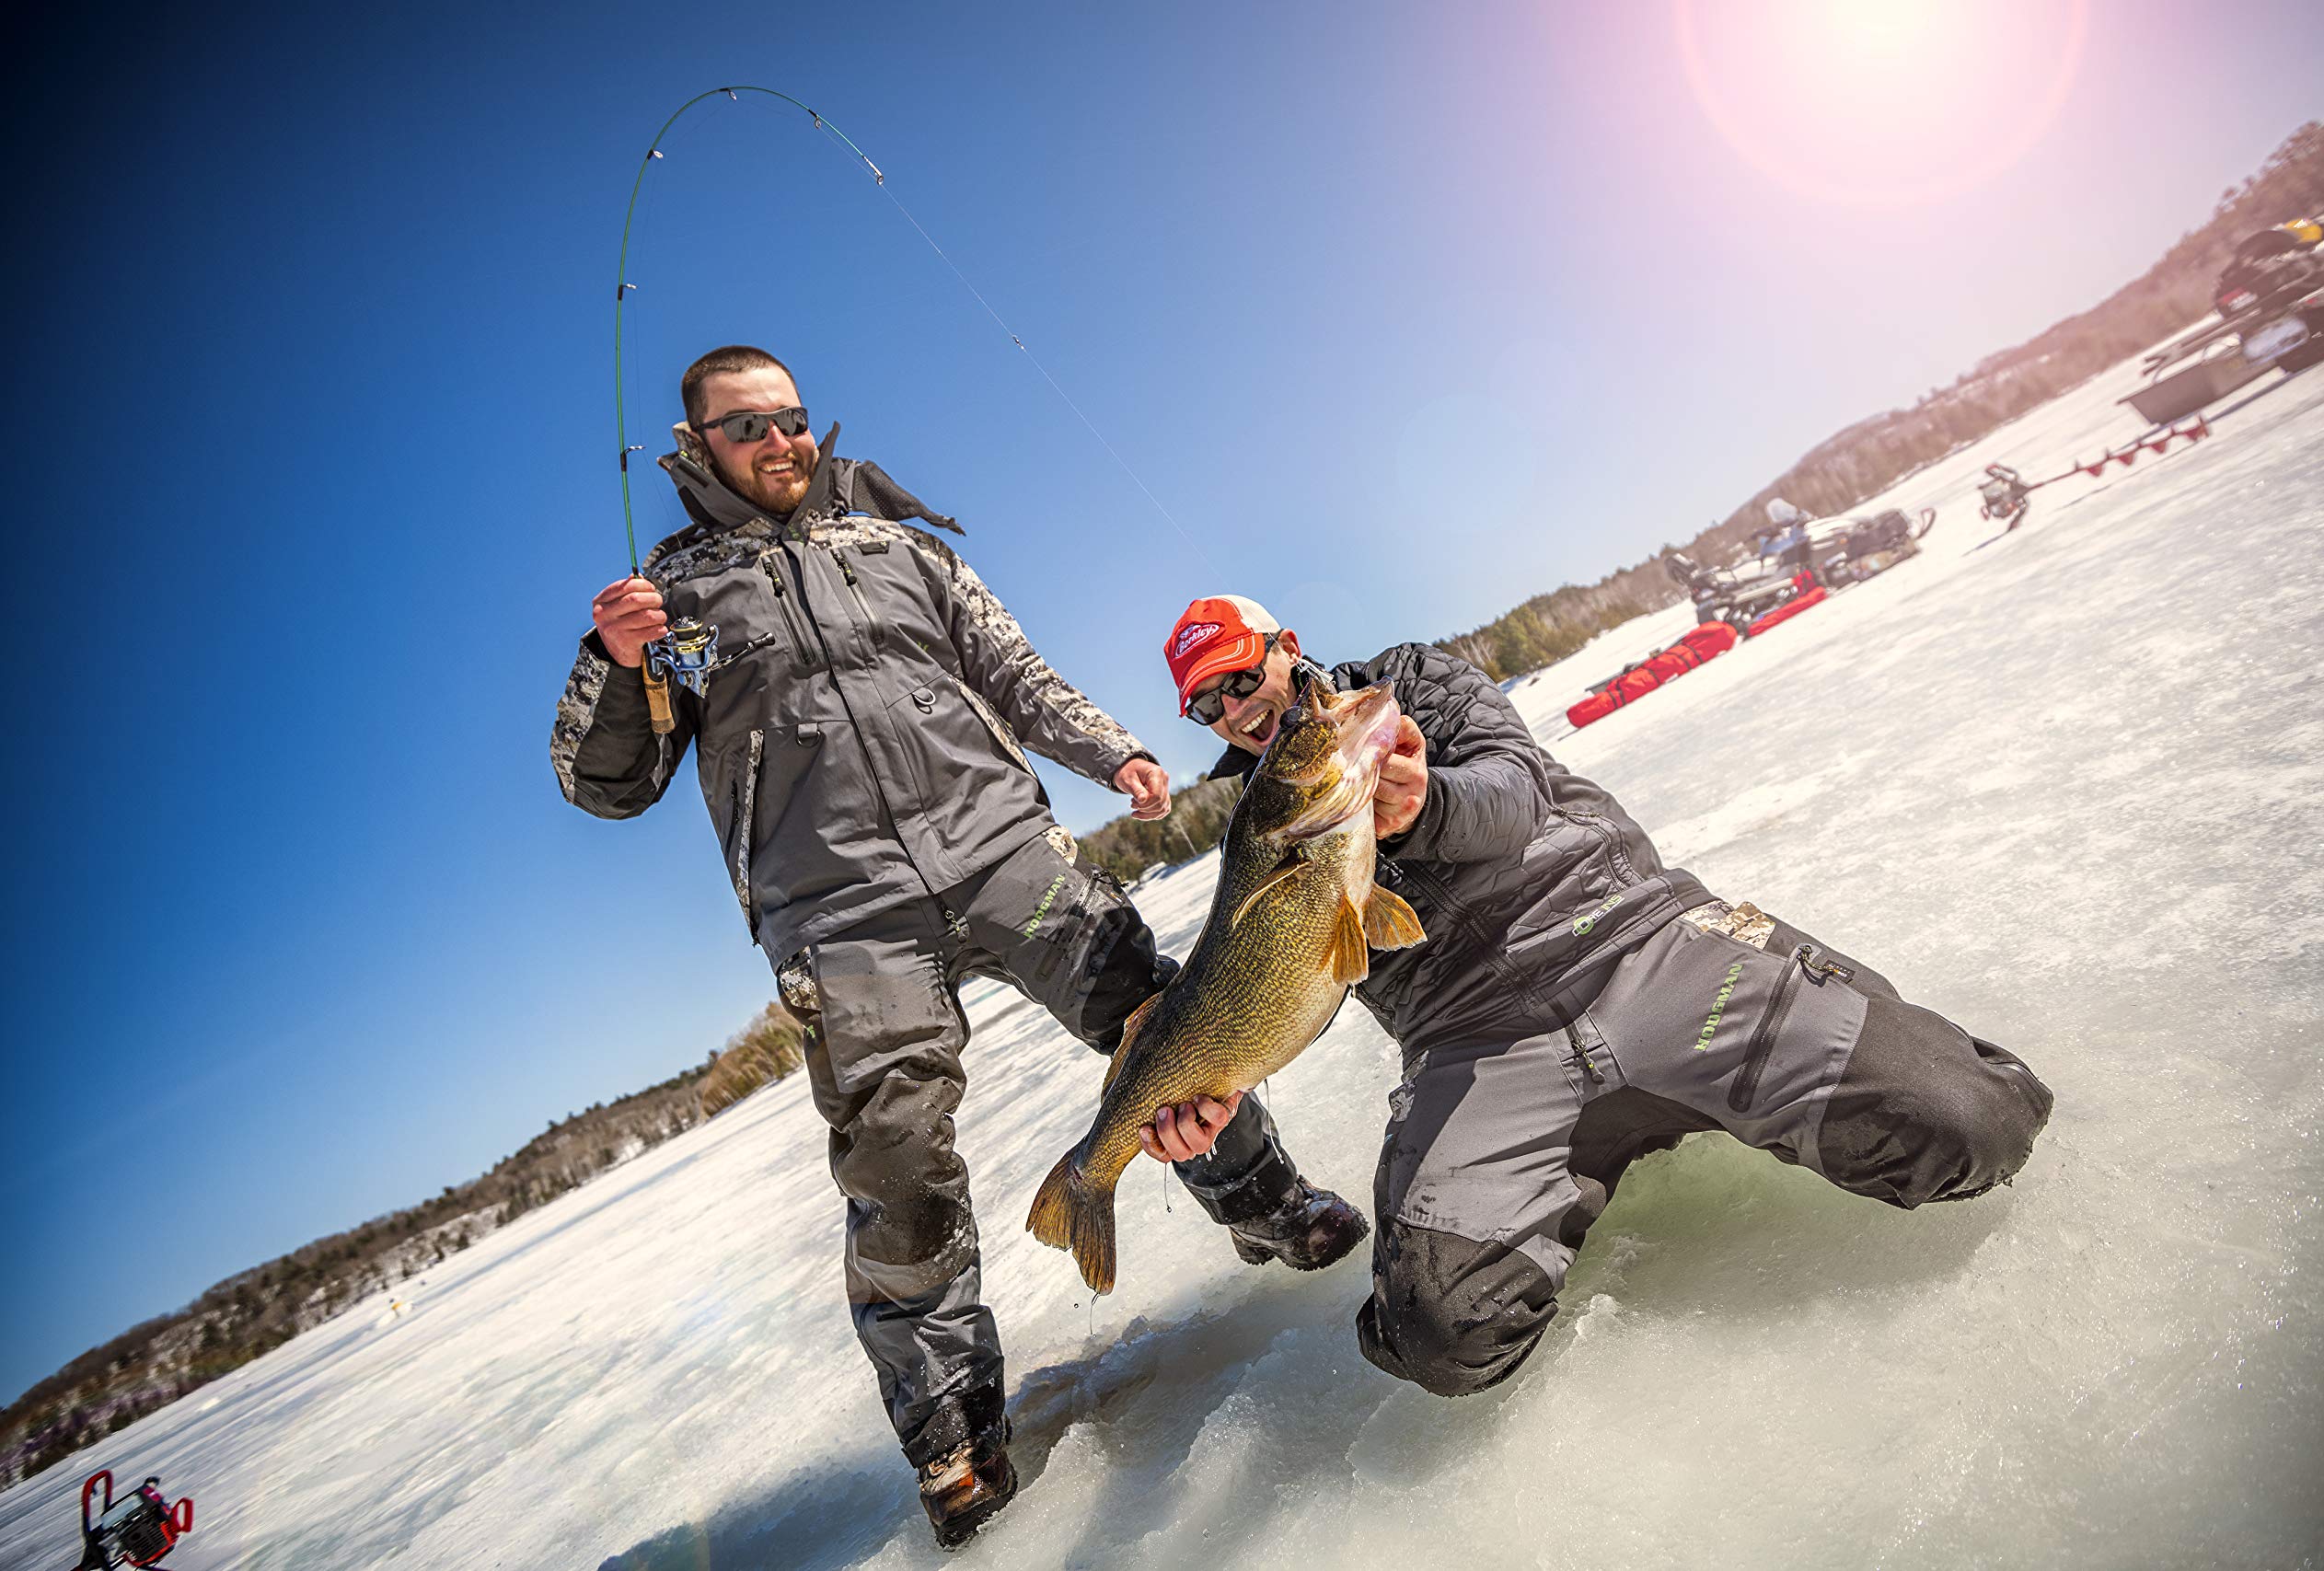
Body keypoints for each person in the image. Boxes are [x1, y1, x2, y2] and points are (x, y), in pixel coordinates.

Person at [549, 350, 1365, 1546]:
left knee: (1159, 1009)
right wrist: (617, 665)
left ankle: (1264, 1196)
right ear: (696, 446)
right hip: (840, 914)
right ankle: (954, 1431)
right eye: (743, 425)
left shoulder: (903, 548)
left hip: (1000, 850)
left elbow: (1013, 672)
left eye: (787, 416)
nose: (776, 439)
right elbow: (601, 782)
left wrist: (1112, 754)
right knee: (894, 1156)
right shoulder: (667, 602)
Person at [1148, 595, 2053, 1396]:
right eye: (1206, 705)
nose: (1232, 710)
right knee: (1433, 1336)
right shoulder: (1261, 826)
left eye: (1237, 676)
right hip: (1475, 1047)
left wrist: (1422, 807)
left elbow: (1513, 791)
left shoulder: (1405, 685)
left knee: (1970, 1123)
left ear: (1283, 646)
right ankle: (1570, 1154)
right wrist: (1217, 1076)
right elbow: (1284, 975)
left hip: (1642, 942)